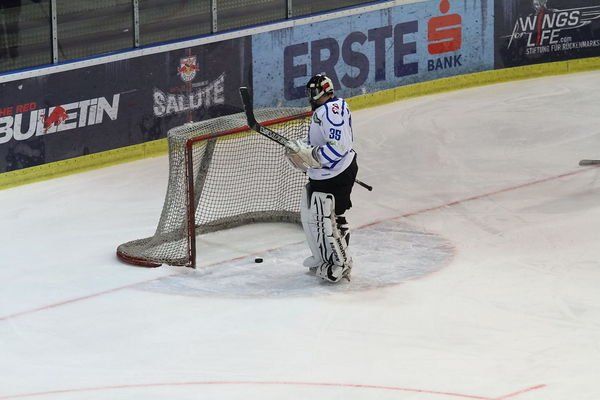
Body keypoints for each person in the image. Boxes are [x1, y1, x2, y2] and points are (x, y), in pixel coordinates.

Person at [285, 73, 358, 283]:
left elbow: (339, 147)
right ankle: (324, 257)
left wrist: (313, 155)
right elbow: (323, 141)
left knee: (326, 220)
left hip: (335, 174)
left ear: (326, 91)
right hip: (332, 172)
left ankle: (341, 263)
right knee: (317, 217)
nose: (311, 96)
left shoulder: (328, 112)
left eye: (315, 92)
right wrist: (304, 148)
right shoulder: (329, 108)